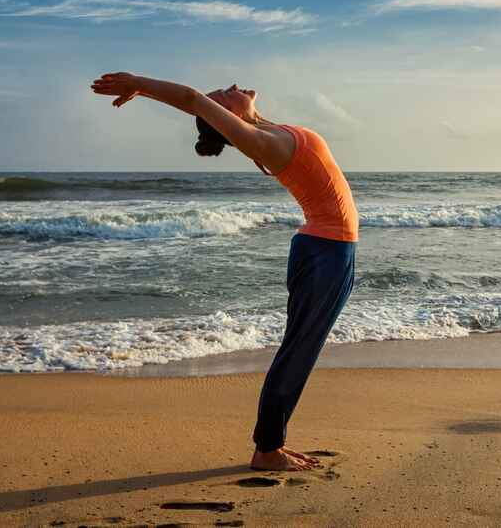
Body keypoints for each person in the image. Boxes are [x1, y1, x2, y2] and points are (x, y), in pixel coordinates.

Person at [91, 72, 359, 472]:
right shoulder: (264, 143)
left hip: (332, 249)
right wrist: (139, 85)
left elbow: (209, 106)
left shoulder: (266, 132)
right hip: (325, 251)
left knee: (302, 348)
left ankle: (270, 442)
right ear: (225, 115)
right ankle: (268, 448)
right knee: (299, 350)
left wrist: (227, 110)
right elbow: (192, 98)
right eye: (222, 93)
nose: (231, 86)